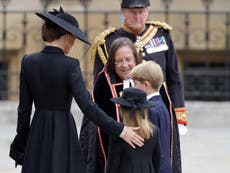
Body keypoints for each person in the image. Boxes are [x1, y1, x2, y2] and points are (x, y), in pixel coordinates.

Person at [9, 7, 144, 173]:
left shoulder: (28, 61)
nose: (73, 44)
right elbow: (88, 107)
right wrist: (120, 130)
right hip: (63, 132)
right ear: (66, 37)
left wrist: (21, 144)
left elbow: (23, 110)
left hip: (37, 133)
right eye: (73, 39)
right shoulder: (70, 65)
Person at [91, 0, 187, 172]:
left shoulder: (161, 34)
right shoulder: (108, 40)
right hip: (121, 116)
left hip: (157, 111)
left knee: (162, 158)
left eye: (141, 11)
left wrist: (180, 117)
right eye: (132, 12)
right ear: (123, 12)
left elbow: (173, 79)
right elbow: (100, 83)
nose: (138, 16)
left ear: (147, 11)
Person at [80, 37, 142, 173]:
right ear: (112, 63)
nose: (124, 65)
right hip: (112, 155)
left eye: (128, 59)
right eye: (118, 61)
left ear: (136, 59)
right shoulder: (103, 85)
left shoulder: (146, 79)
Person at [131, 61, 172, 173]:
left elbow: (149, 146)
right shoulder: (162, 105)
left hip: (156, 167)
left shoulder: (150, 110)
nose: (134, 87)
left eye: (135, 84)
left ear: (146, 85)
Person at [107, 87, 161, 173]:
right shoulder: (154, 131)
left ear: (123, 110)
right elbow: (157, 162)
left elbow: (112, 166)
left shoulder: (120, 134)